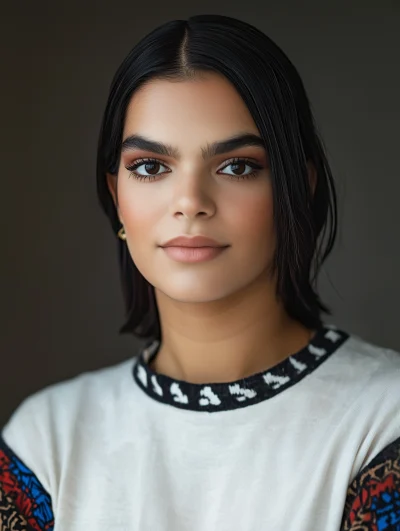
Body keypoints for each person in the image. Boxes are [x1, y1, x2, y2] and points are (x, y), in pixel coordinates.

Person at [1, 13, 399, 531]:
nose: (189, 202)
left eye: (236, 166)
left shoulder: (382, 421)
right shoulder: (45, 442)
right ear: (115, 194)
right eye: (150, 167)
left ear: (299, 187)